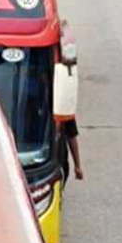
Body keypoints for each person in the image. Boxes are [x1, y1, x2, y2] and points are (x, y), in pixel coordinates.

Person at [54, 38, 85, 180]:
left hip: (54, 165)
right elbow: (71, 135)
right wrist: (78, 166)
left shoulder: (61, 100)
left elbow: (71, 133)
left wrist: (77, 165)